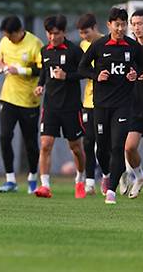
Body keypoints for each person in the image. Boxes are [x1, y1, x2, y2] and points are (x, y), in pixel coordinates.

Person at [78, 6, 143, 205]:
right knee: (102, 147)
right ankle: (107, 173)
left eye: (124, 25)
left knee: (118, 146)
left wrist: (135, 74)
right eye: (117, 25)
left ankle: (111, 191)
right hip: (101, 104)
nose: (121, 28)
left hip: (123, 105)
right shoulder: (99, 45)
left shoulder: (133, 47)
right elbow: (82, 67)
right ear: (109, 25)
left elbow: (140, 66)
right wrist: (95, 75)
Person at [33, 15, 86, 199]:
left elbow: (84, 72)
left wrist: (67, 76)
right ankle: (45, 185)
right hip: (50, 107)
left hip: (71, 107)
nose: (52, 37)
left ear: (63, 32)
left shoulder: (74, 51)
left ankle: (80, 179)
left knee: (76, 148)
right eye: (49, 33)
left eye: (56, 33)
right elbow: (43, 72)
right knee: (46, 144)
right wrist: (40, 85)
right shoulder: (44, 51)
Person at [0, 15, 43, 193]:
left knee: (30, 141)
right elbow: (0, 61)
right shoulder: (4, 42)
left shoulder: (34, 43)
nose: (7, 39)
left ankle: (32, 178)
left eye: (10, 36)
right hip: (8, 97)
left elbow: (42, 69)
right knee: (5, 136)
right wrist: (0, 67)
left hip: (29, 100)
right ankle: (10, 179)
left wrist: (20, 70)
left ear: (19, 32)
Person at [76, 13, 109, 195]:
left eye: (86, 32)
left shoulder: (107, 43)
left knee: (105, 143)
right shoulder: (83, 46)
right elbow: (83, 70)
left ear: (95, 27)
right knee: (88, 141)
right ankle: (89, 182)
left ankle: (107, 175)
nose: (84, 37)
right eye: (81, 33)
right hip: (89, 100)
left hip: (107, 100)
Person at [123, 10, 143, 200]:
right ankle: (140, 176)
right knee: (129, 147)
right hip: (134, 106)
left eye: (140, 23)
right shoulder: (130, 49)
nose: (136, 27)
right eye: (133, 24)